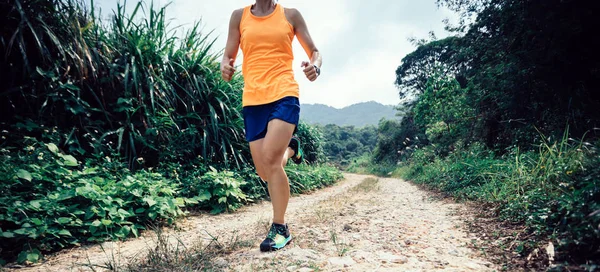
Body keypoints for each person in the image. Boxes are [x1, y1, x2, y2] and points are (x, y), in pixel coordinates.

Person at [220, 0, 322, 252]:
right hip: (253, 100)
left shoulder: (291, 15)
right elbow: (228, 54)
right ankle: (292, 148)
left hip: (284, 93)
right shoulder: (238, 17)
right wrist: (225, 65)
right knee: (265, 171)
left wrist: (315, 66)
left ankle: (280, 227)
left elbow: (315, 51)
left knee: (271, 160)